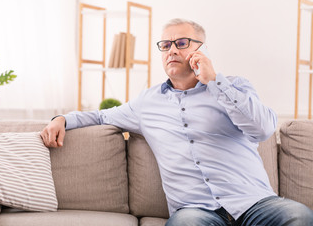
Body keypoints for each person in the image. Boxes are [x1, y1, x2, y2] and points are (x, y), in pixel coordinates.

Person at [40, 18, 313, 225]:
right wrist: (62, 118)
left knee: (297, 215)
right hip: (195, 211)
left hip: (253, 203)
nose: (172, 50)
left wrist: (215, 82)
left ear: (201, 50)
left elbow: (263, 128)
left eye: (181, 43)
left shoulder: (234, 86)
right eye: (165, 45)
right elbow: (100, 116)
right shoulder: (146, 103)